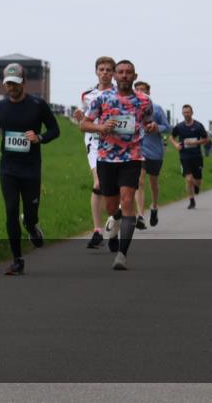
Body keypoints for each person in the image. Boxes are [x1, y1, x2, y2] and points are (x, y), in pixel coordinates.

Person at [80, 59, 157, 270]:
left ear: (135, 76)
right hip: (106, 158)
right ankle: (114, 223)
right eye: (120, 72)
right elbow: (83, 125)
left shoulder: (144, 101)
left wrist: (151, 126)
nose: (124, 75)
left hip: (132, 158)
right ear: (115, 76)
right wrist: (101, 127)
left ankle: (122, 255)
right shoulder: (103, 98)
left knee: (128, 200)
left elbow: (148, 121)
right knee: (112, 206)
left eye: (128, 72)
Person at [0, 63, 61, 274]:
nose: (12, 87)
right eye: (8, 84)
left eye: (15, 83)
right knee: (10, 210)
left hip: (31, 169)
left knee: (29, 212)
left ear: (24, 83)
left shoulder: (38, 105)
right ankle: (17, 259)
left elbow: (55, 130)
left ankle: (32, 225)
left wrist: (39, 137)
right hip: (8, 168)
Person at [73, 57, 116, 248]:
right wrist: (80, 118)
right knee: (98, 183)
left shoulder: (120, 94)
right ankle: (97, 230)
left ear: (113, 73)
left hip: (116, 145)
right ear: (96, 71)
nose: (105, 72)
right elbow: (85, 121)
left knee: (114, 188)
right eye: (102, 69)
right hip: (94, 144)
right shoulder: (87, 95)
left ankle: (113, 230)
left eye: (108, 70)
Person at [133, 81, 169, 228]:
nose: (141, 93)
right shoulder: (131, 108)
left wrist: (156, 127)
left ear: (149, 92)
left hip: (155, 151)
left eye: (143, 90)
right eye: (138, 90)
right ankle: (140, 215)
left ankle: (154, 206)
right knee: (139, 181)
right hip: (138, 150)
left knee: (153, 182)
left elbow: (167, 127)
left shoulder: (157, 109)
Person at [170, 105, 210, 209]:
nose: (186, 114)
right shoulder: (179, 126)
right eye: (184, 112)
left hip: (196, 156)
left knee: (198, 179)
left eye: (188, 112)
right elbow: (171, 137)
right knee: (188, 179)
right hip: (184, 156)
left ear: (192, 113)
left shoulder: (198, 126)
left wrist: (195, 142)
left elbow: (206, 139)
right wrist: (176, 145)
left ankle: (197, 186)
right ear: (182, 113)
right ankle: (191, 200)